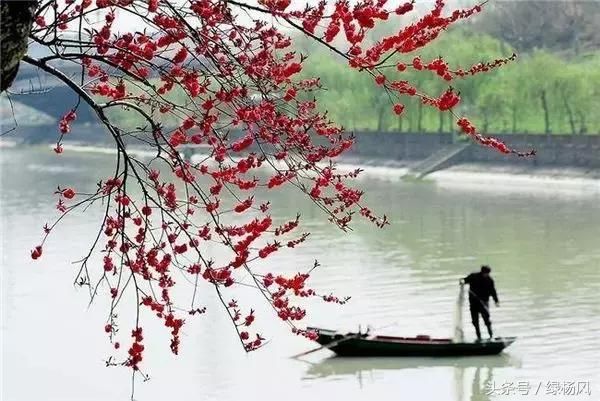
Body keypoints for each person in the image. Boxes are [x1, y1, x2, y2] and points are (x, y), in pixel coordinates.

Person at [460, 265, 499, 340]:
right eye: (486, 273)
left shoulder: (489, 280)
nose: (487, 275)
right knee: (475, 321)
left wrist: (496, 301)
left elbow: (493, 291)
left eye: (488, 273)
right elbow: (464, 280)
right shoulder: (473, 276)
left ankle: (491, 336)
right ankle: (479, 337)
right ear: (482, 272)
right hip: (473, 304)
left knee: (487, 320)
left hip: (484, 303)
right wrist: (462, 281)